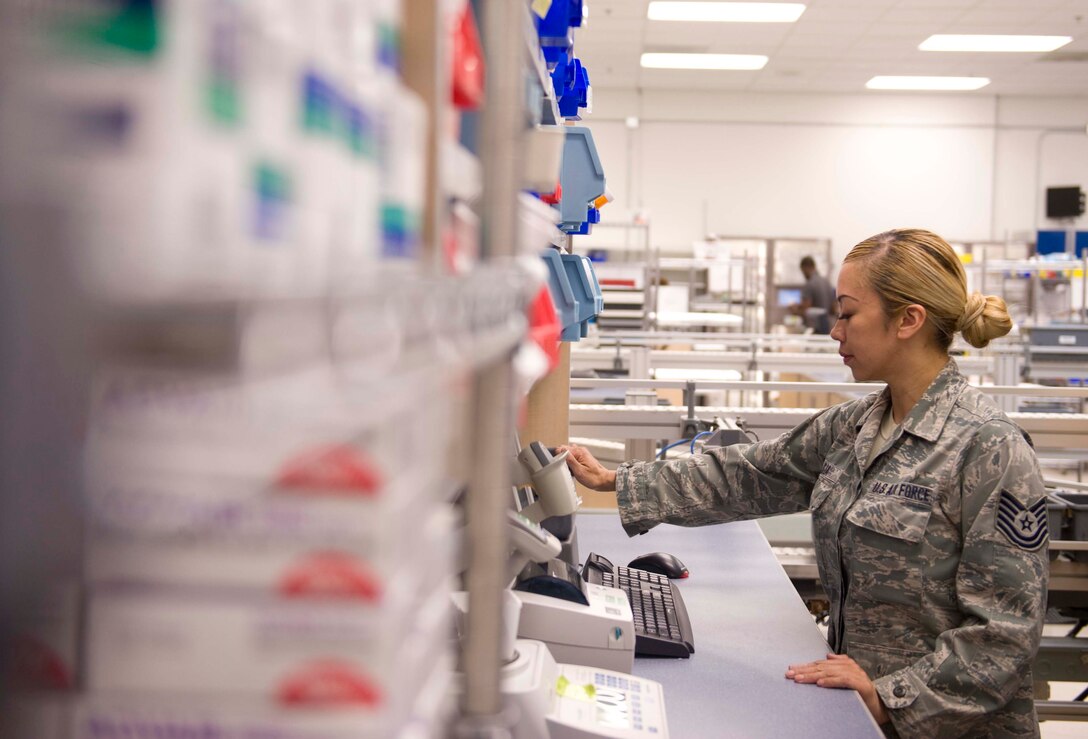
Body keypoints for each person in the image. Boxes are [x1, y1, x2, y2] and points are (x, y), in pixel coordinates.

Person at [560, 229, 1048, 739]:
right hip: (861, 718)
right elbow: (749, 474)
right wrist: (619, 480)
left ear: (909, 320)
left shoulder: (989, 449)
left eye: (848, 313)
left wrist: (889, 698)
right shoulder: (854, 427)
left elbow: (1005, 636)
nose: (836, 332)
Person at [789, 255, 837, 333]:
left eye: (803, 271)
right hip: (827, 329)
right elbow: (833, 309)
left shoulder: (809, 284)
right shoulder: (827, 283)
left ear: (806, 268)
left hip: (814, 329)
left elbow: (806, 310)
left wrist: (794, 310)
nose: (803, 274)